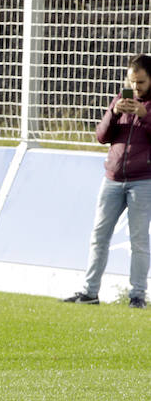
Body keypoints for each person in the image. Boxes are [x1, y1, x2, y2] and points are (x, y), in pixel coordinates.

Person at [62, 54, 151, 309]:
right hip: (112, 179)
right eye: (132, 81)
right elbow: (101, 136)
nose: (136, 88)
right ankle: (89, 292)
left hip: (143, 180)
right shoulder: (120, 101)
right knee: (99, 235)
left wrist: (145, 115)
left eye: (141, 82)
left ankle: (137, 296)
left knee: (139, 240)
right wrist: (113, 113)